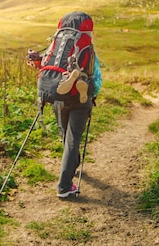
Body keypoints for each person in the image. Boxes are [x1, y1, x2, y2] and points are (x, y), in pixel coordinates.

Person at [52, 38, 102, 198]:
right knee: (72, 140)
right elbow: (98, 81)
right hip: (80, 102)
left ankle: (73, 163)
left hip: (58, 98)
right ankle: (64, 187)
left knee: (65, 135)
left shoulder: (56, 48)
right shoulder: (88, 51)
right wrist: (92, 93)